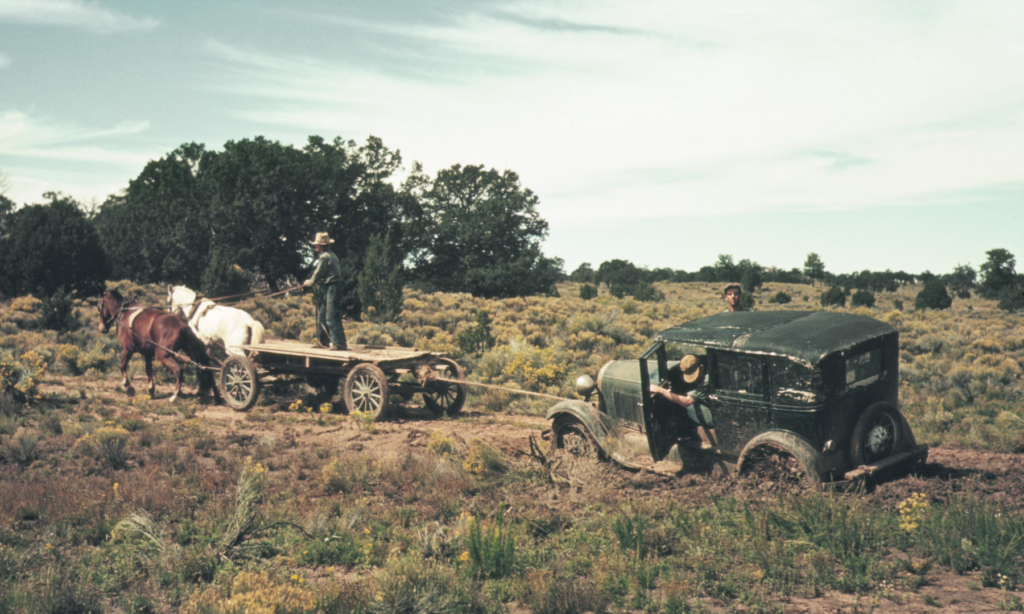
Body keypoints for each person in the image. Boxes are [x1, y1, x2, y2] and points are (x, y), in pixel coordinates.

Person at [649, 354, 717, 449]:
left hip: (716, 415)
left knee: (682, 405)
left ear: (701, 366)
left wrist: (661, 390)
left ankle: (685, 433)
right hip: (714, 402)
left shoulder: (708, 378)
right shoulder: (705, 360)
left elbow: (686, 402)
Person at [302, 232, 347, 350]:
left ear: (321, 246)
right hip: (332, 287)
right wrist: (319, 282)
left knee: (331, 317)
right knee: (323, 315)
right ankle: (322, 342)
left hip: (332, 288)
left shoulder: (324, 257)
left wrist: (309, 283)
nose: (315, 247)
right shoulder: (332, 255)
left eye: (317, 245)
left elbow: (318, 273)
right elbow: (329, 274)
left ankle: (339, 344)